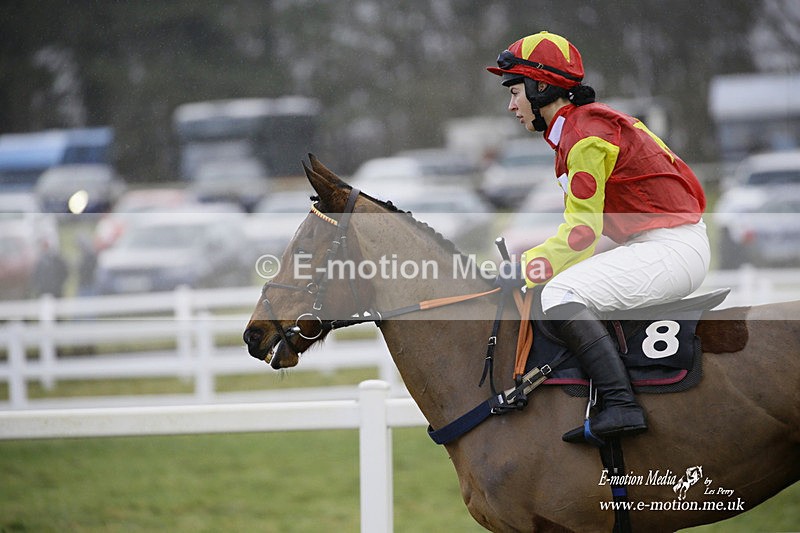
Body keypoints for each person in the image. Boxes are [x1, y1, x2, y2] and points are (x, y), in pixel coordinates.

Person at [487, 31, 710, 444]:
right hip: (665, 244)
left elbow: (581, 235)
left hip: (671, 249)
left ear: (541, 87)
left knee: (557, 294)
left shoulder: (584, 135)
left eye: (515, 92)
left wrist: (525, 269)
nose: (511, 106)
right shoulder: (586, 124)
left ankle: (621, 405)